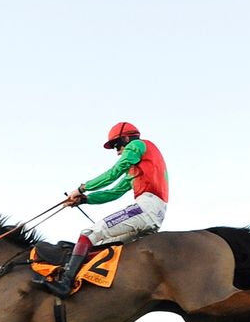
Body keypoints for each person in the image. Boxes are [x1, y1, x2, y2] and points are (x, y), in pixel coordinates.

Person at [33, 121, 169, 297]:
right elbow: (114, 192)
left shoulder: (137, 145)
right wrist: (84, 200)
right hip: (154, 214)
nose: (117, 151)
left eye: (116, 145)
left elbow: (113, 173)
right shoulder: (141, 166)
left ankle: (65, 283)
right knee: (100, 246)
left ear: (126, 138)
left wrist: (82, 188)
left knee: (88, 234)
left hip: (146, 208)